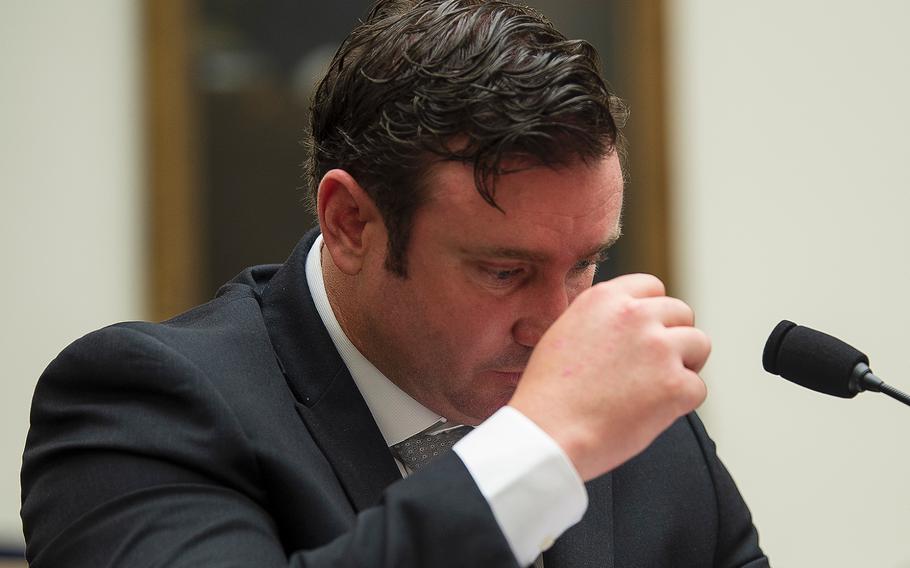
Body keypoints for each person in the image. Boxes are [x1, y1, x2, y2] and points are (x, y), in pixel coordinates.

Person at [21, 1, 769, 566]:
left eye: (584, 263)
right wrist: (539, 446)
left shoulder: (638, 421)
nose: (556, 325)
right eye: (504, 271)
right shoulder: (141, 401)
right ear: (350, 222)